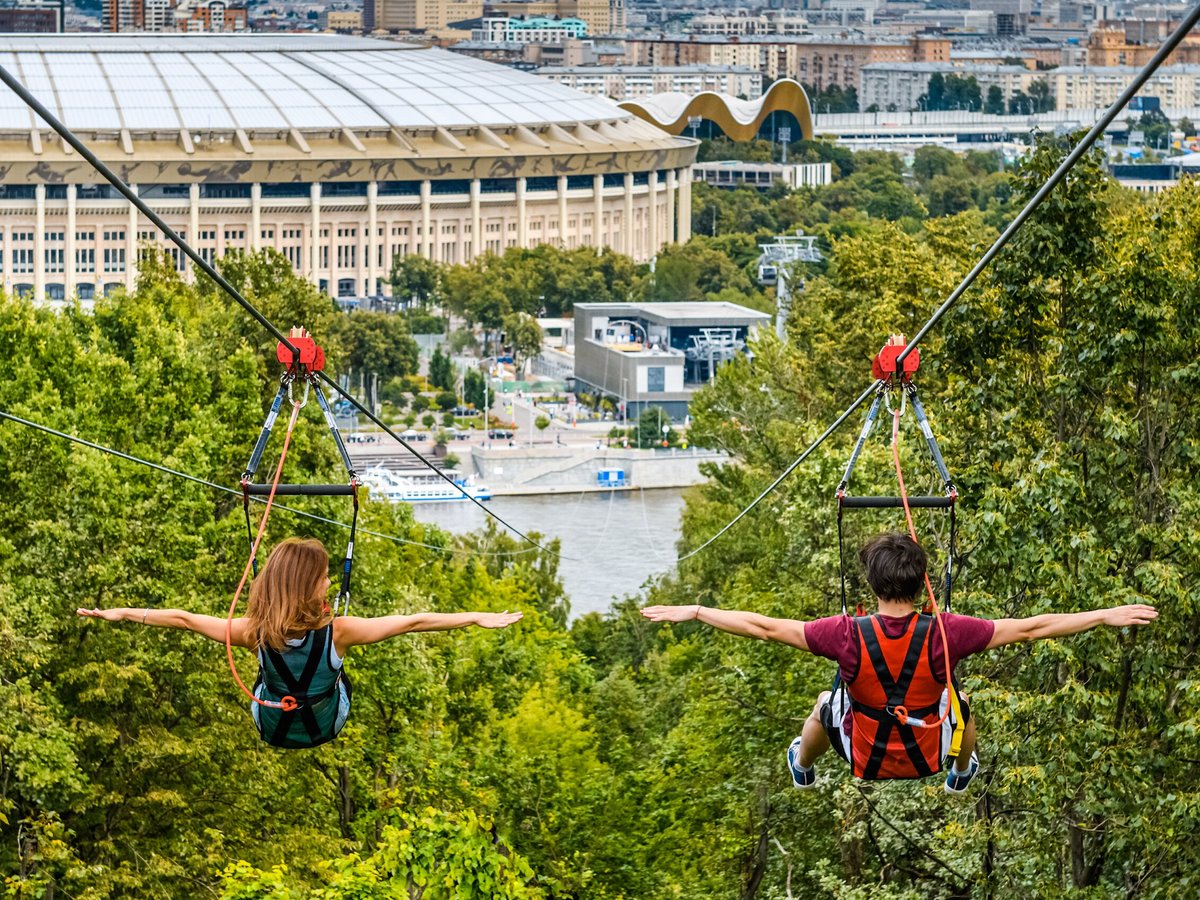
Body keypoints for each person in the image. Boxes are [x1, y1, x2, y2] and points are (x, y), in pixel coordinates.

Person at [641, 532, 1156, 793]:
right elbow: (1032, 627)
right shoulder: (946, 634)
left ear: (872, 584)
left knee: (825, 703)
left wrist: (699, 611)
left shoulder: (845, 634)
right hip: (927, 753)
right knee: (960, 702)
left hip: (864, 755)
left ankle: (802, 763)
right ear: (919, 582)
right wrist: (1103, 614)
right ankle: (960, 770)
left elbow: (766, 627)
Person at [77, 537, 522, 749]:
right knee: (336, 682)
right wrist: (474, 618)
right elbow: (412, 622)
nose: (329, 583)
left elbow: (185, 620)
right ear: (308, 587)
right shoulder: (340, 632)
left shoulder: (254, 630)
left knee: (271, 678)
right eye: (324, 578)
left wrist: (123, 613)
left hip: (271, 726)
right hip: (328, 723)